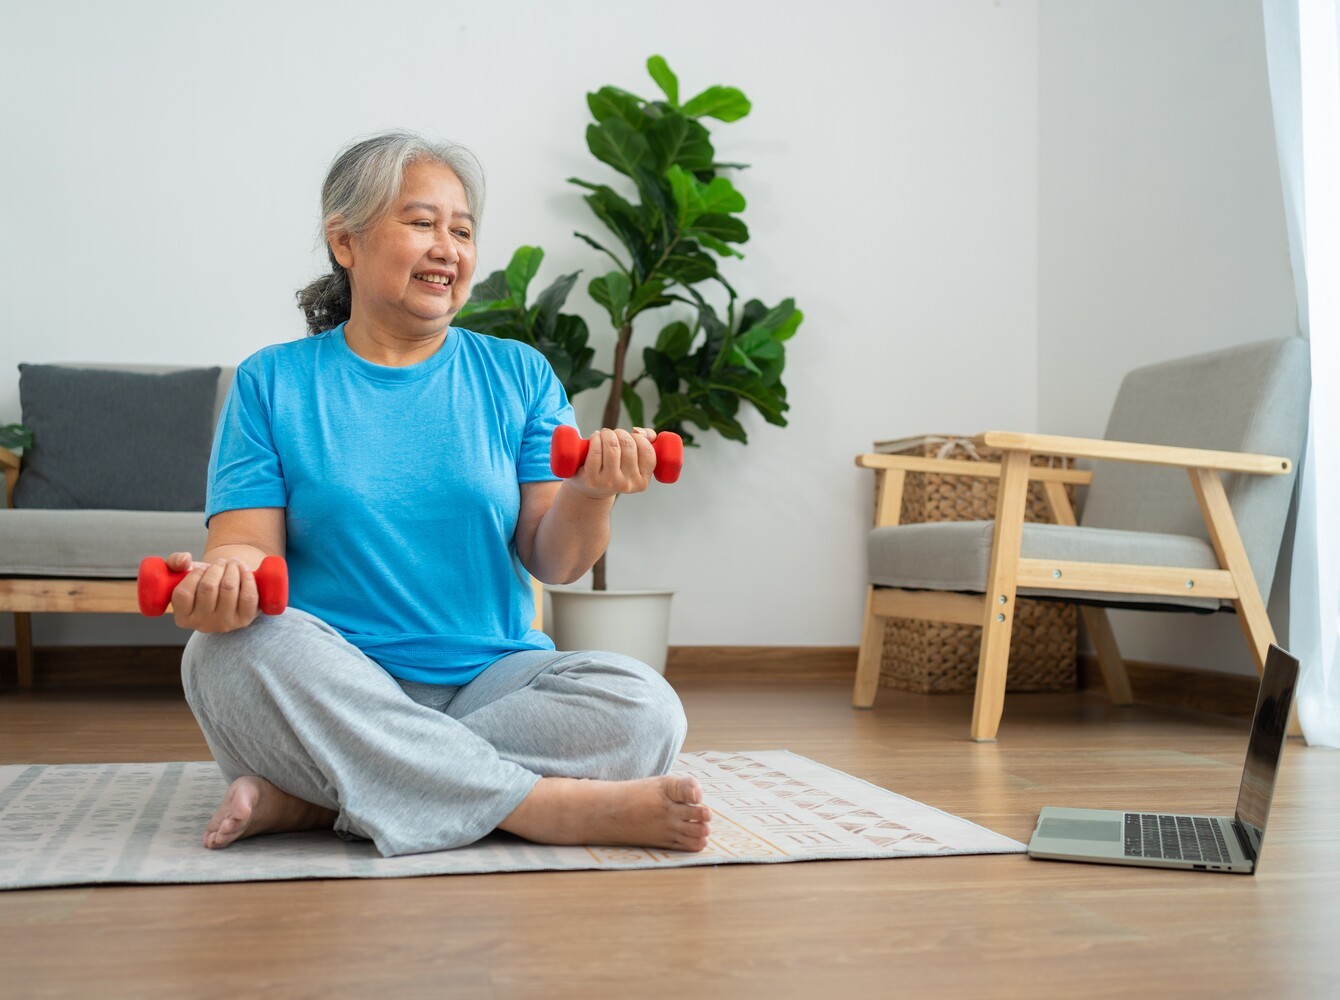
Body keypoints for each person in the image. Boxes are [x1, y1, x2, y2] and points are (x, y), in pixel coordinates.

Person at [172, 130, 711, 857]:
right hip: (331, 680)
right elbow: (243, 547)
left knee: (648, 709)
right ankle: (545, 807)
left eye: (461, 230)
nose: (447, 248)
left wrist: (590, 491)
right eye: (422, 223)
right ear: (345, 242)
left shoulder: (518, 375)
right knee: (223, 654)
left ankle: (317, 801)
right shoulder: (273, 383)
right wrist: (224, 582)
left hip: (492, 679)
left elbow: (556, 563)